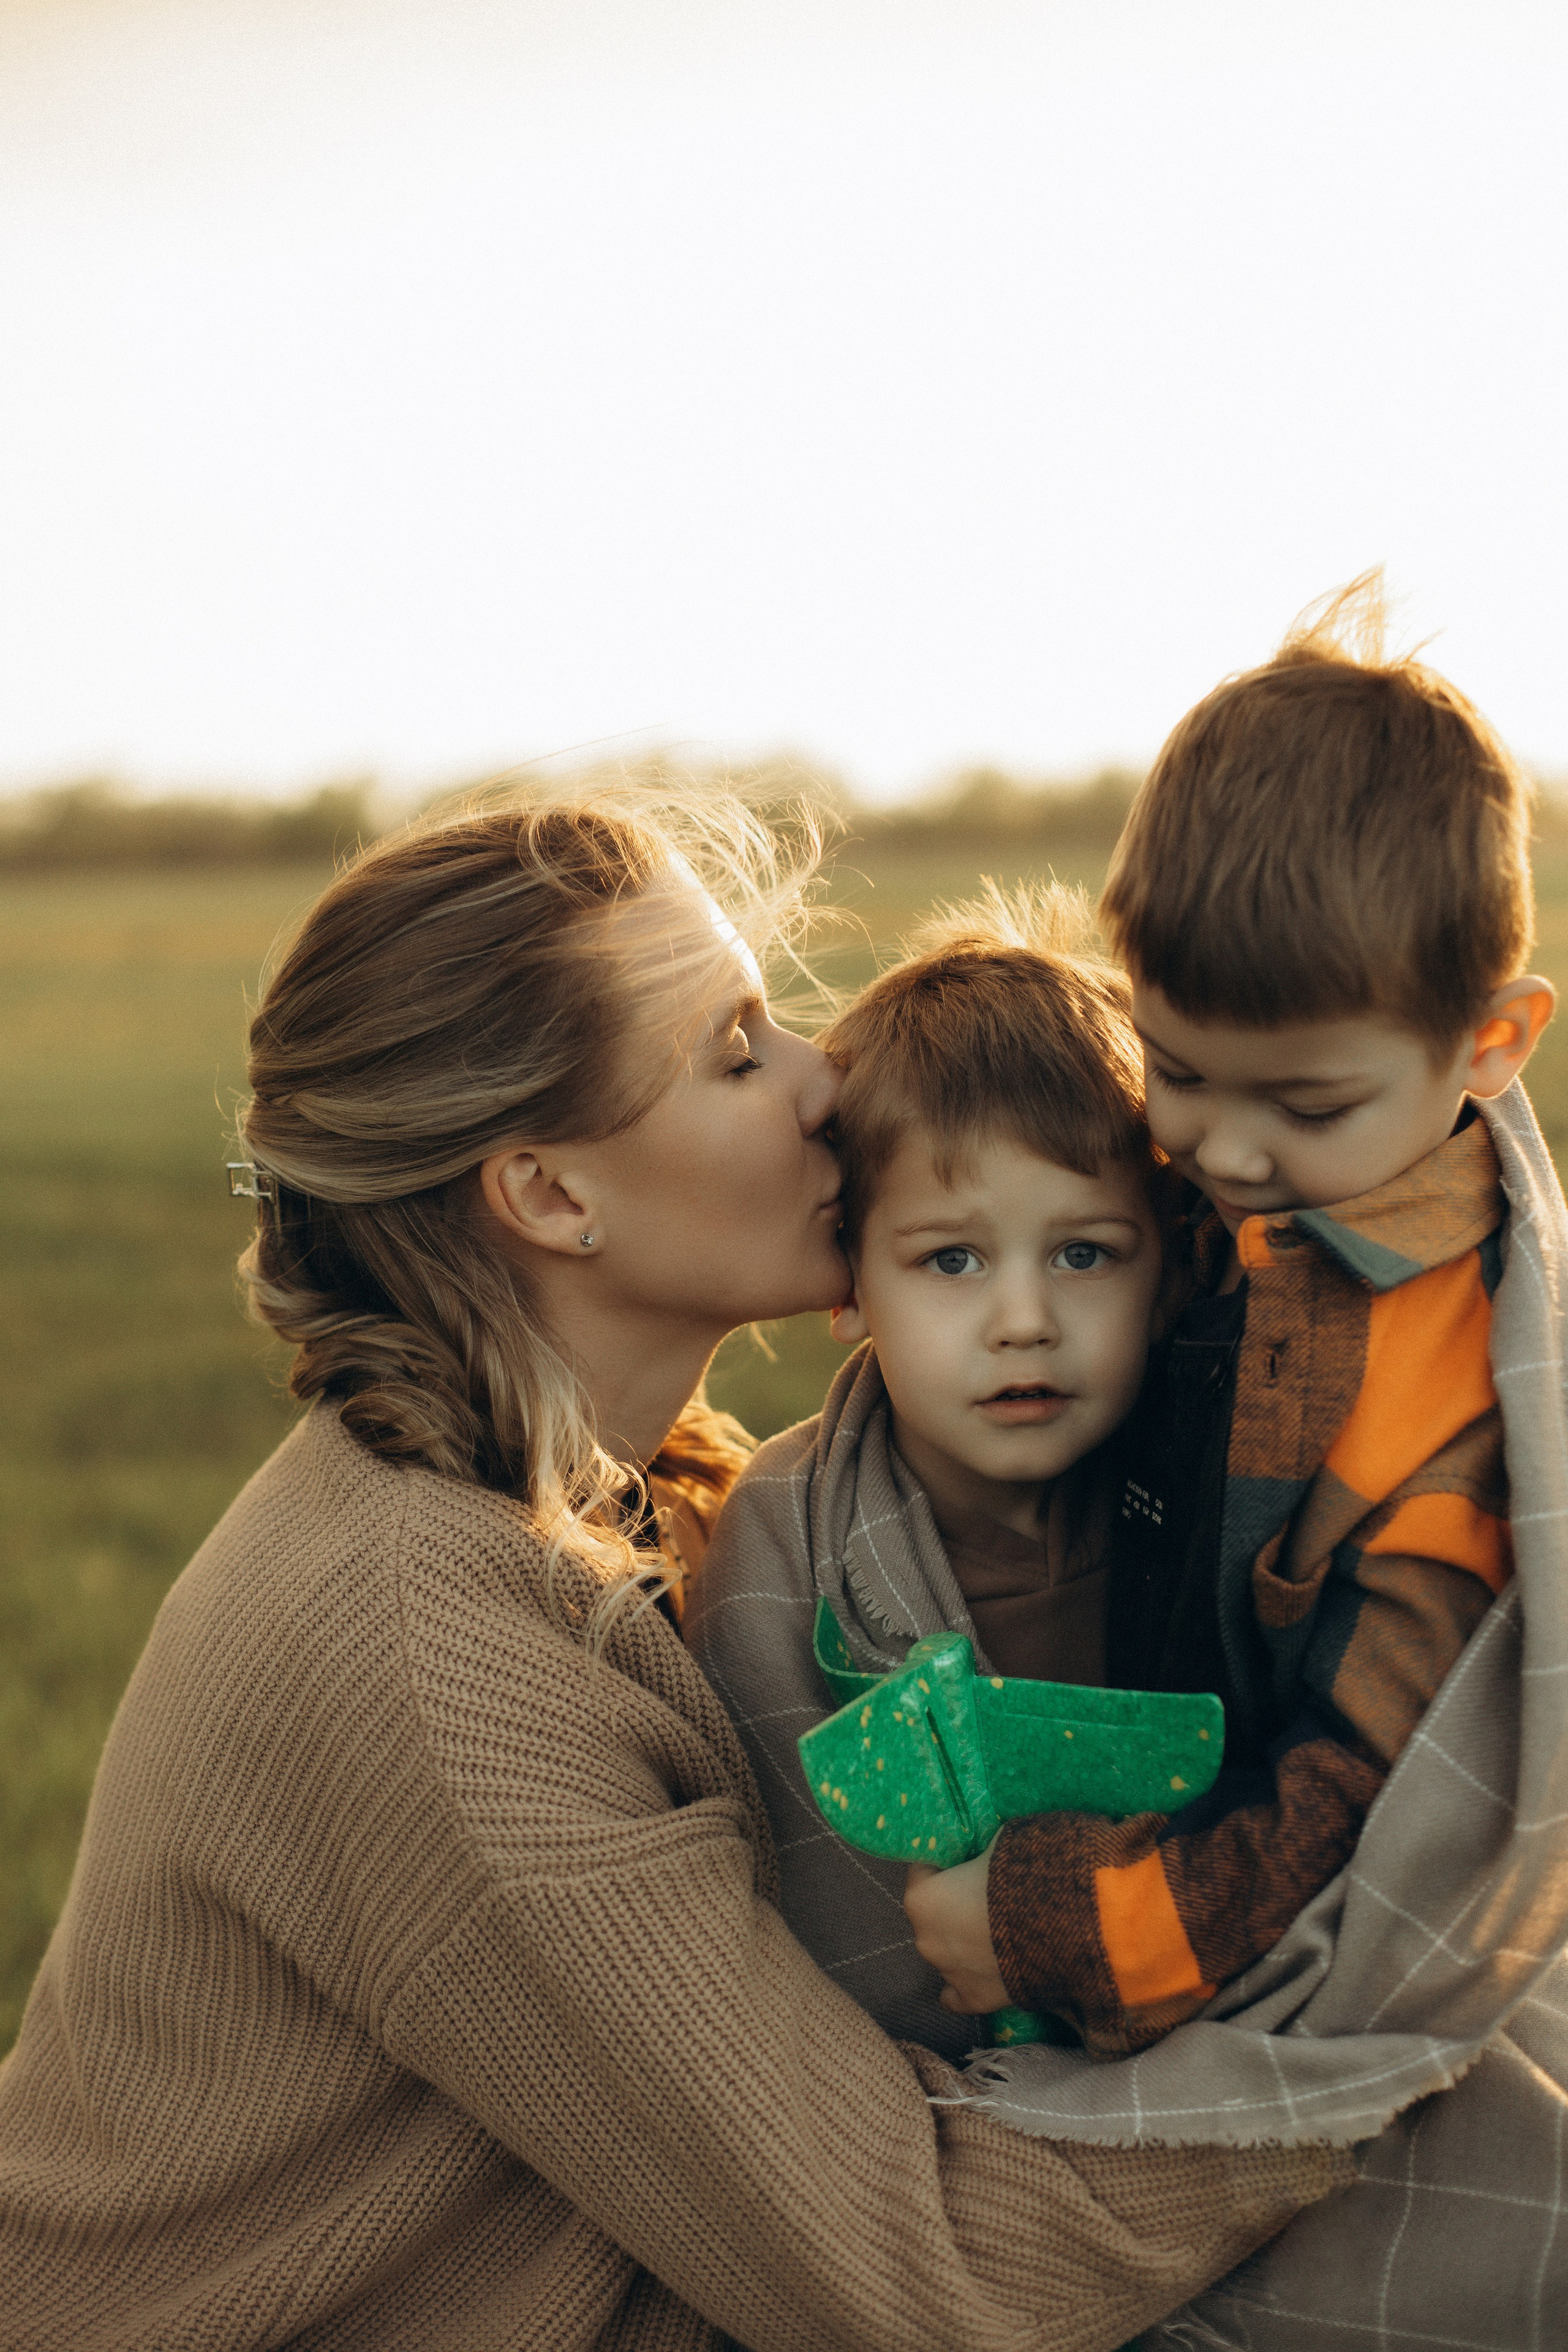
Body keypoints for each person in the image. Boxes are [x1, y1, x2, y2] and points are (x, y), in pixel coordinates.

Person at [0, 790, 1346, 2351]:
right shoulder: (432, 1662)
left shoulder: (669, 1494)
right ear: (552, 1197)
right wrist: (1379, 2049)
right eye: (734, 1053)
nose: (824, 1080)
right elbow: (926, 2282)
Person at [898, 577, 1558, 2059]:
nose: (1227, 1150)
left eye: (1307, 1104)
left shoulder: (1443, 1408)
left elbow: (1364, 1809)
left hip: (1220, 1945)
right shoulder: (1229, 1204)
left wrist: (1062, 1926)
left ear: (1492, 1045)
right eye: (1176, 1069)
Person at [685, 883, 1172, 2057]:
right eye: (951, 1259)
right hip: (910, 2102)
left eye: (1084, 1253)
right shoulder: (785, 1549)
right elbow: (792, 1915)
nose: (1023, 1319)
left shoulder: (1204, 1499)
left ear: (1173, 1270)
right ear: (850, 1282)